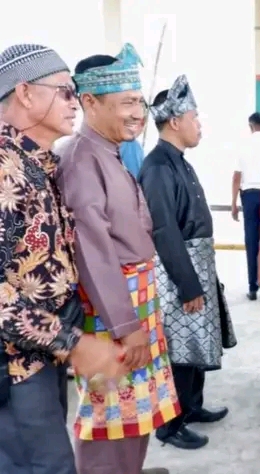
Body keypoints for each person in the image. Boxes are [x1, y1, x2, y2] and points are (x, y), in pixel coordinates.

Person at [0, 43, 128, 474]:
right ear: (24, 93)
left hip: (43, 355)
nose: (76, 102)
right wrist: (73, 343)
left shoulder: (36, 162)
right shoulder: (4, 170)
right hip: (15, 367)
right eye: (64, 91)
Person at [56, 43, 178, 474]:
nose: (138, 114)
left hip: (131, 302)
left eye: (139, 102)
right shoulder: (80, 158)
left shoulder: (106, 151)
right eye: (127, 103)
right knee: (110, 422)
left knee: (133, 418)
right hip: (112, 312)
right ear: (90, 102)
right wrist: (127, 327)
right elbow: (94, 253)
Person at [139, 74, 234, 450]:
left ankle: (191, 406)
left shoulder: (177, 161)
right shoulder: (158, 167)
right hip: (178, 272)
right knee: (178, 349)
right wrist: (188, 283)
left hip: (196, 264)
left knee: (195, 343)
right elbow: (164, 230)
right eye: (194, 117)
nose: (199, 125)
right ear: (175, 121)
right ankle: (170, 425)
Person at [232, 111, 260, 301]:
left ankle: (252, 288)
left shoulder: (244, 145)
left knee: (251, 243)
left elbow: (237, 177)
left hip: (249, 196)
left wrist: (234, 204)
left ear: (251, 126)